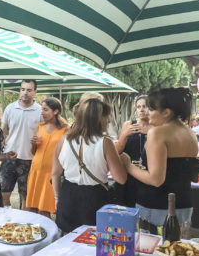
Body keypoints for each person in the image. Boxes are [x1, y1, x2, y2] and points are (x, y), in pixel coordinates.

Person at [120, 88, 199, 237]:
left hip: (156, 207)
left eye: (151, 109)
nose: (148, 112)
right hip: (184, 203)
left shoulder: (157, 133)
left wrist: (128, 165)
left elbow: (156, 179)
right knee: (176, 255)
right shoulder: (190, 133)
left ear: (166, 112)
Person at [52, 98, 127, 233]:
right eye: (106, 116)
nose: (108, 120)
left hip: (68, 195)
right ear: (97, 118)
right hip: (95, 197)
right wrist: (124, 161)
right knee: (93, 241)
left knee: (68, 240)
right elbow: (121, 178)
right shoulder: (105, 143)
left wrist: (57, 197)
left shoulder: (64, 139)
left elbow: (55, 173)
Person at [1, 80, 42, 209]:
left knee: (26, 196)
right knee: (4, 194)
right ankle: (7, 222)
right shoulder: (10, 108)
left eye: (29, 90)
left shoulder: (40, 110)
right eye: (23, 89)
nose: (25, 93)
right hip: (9, 157)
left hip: (29, 158)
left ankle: (23, 225)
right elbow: (3, 131)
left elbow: (43, 134)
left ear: (35, 92)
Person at [26, 97, 68, 218]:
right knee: (34, 208)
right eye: (42, 110)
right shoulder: (39, 127)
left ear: (55, 111)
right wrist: (33, 143)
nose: (42, 113)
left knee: (45, 210)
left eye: (45, 110)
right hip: (36, 171)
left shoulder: (65, 129)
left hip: (51, 174)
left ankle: (51, 234)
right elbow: (33, 152)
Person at [115, 95, 151, 207]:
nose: (141, 109)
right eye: (138, 107)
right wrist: (124, 135)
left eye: (145, 106)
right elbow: (118, 151)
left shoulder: (156, 128)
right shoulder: (129, 125)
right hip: (128, 173)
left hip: (147, 174)